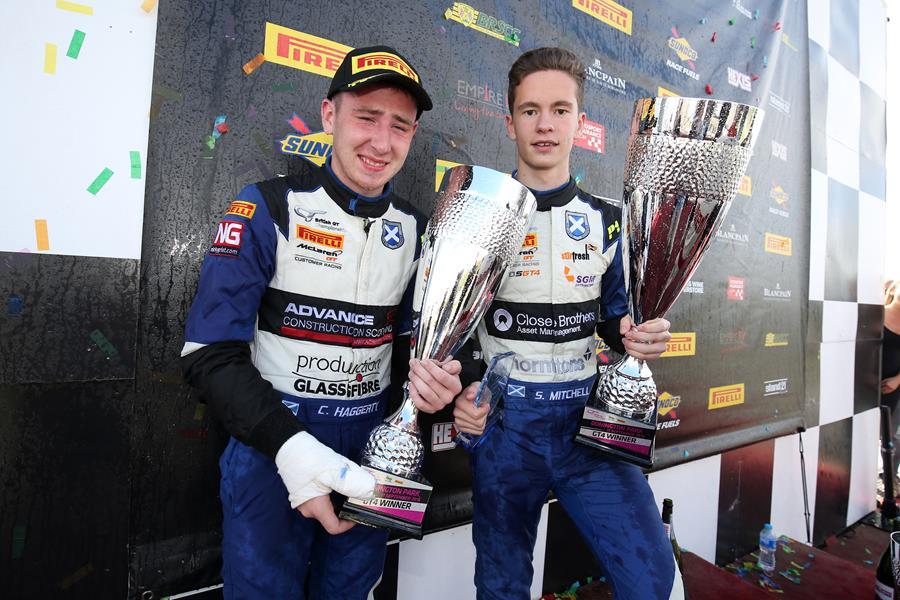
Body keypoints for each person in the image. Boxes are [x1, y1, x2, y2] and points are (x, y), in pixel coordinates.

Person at [180, 46, 462, 599]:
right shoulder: (269, 207)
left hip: (374, 451)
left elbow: (421, 351)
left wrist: (447, 385)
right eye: (366, 117)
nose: (382, 142)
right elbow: (208, 354)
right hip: (271, 443)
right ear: (329, 116)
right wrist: (293, 451)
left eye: (400, 126)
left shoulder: (423, 233)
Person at [452, 48, 679, 599]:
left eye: (559, 109)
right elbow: (446, 331)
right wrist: (461, 388)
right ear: (509, 122)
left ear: (580, 121)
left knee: (650, 578)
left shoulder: (607, 221)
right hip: (505, 426)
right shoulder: (476, 212)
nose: (545, 124)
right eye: (530, 111)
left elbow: (612, 323)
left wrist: (635, 335)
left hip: (588, 425)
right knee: (501, 586)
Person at [882, 280, 900, 452]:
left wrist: (897, 380)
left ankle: (890, 476)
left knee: (892, 437)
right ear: (893, 289)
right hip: (866, 388)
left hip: (895, 389)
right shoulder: (876, 313)